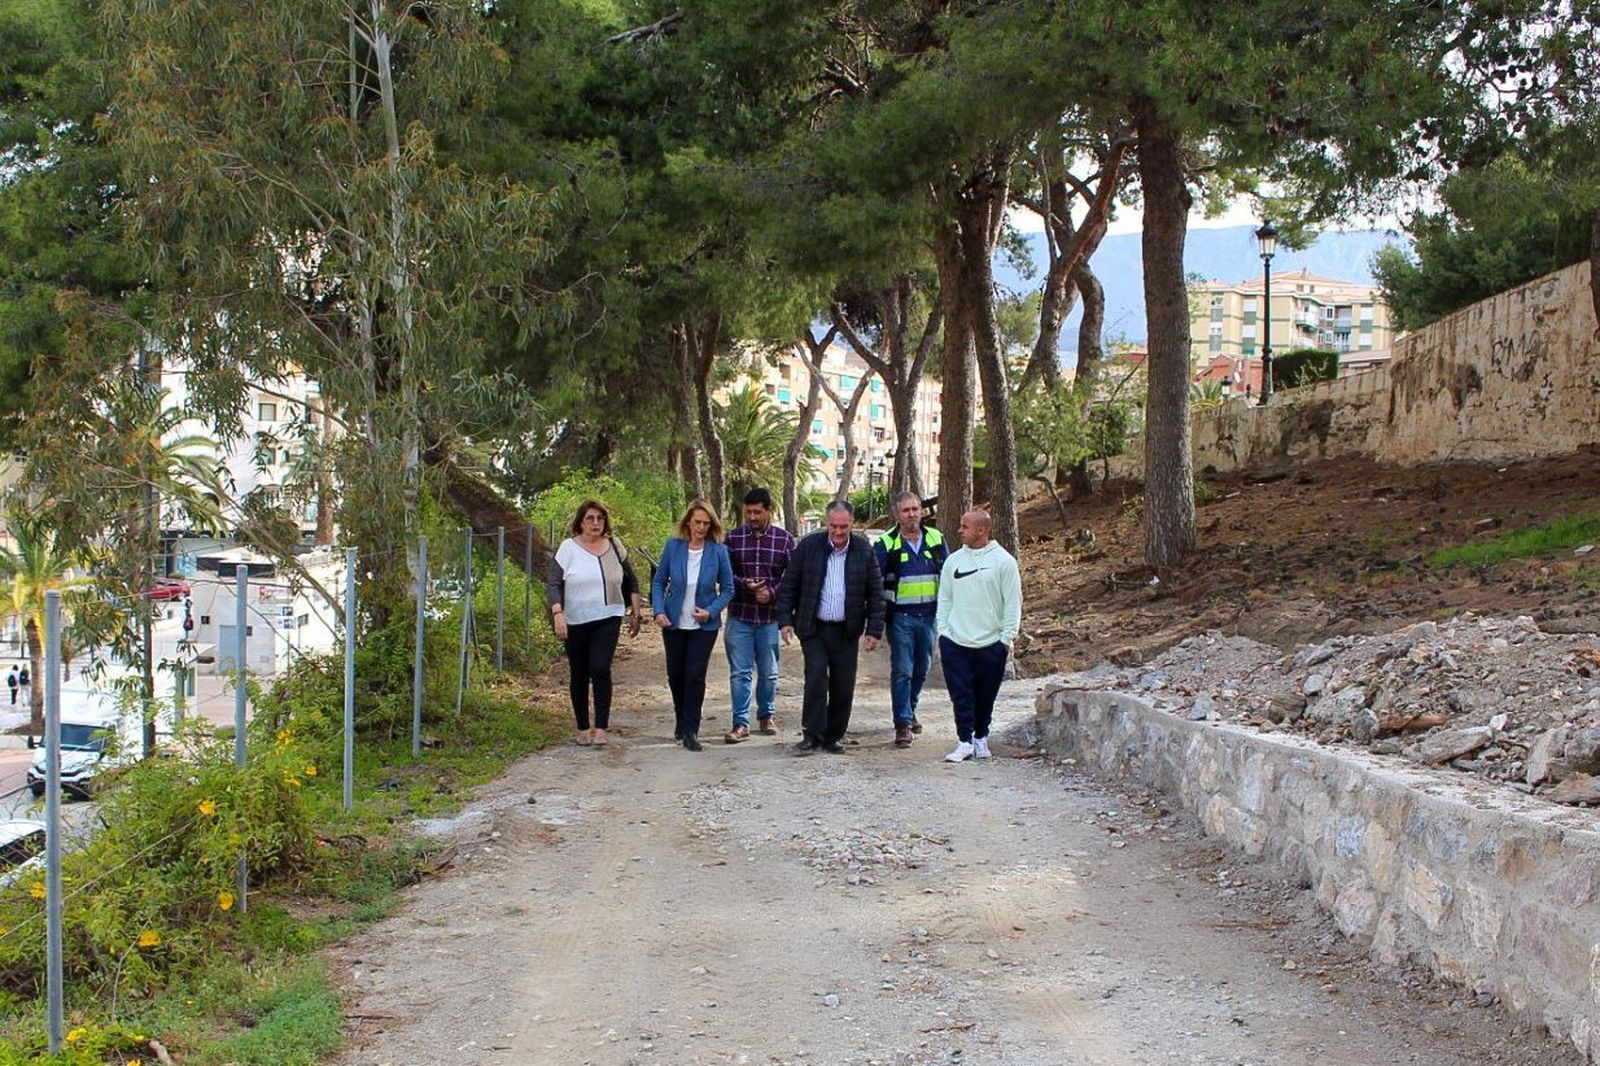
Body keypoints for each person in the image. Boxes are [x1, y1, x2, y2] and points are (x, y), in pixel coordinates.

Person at [775, 500, 884, 755]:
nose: (838, 532)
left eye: (843, 527)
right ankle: (812, 734)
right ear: (826, 524)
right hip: (813, 628)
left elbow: (876, 592)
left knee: (843, 683)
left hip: (847, 629)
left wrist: (874, 630)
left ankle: (834, 735)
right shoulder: (809, 547)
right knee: (815, 678)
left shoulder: (863, 550)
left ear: (852, 525)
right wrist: (785, 620)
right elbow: (789, 583)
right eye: (833, 526)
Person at [547, 499, 643, 746]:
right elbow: (554, 582)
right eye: (590, 518)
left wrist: (635, 611)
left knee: (600, 668)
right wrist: (558, 612)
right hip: (576, 619)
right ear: (581, 522)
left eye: (600, 518)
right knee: (579, 673)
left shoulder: (614, 546)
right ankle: (582, 727)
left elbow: (631, 580)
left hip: (608, 615)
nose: (595, 523)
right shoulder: (568, 548)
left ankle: (601, 727)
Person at [936, 509, 1022, 763]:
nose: (959, 530)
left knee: (986, 694)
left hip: (991, 643)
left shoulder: (1004, 562)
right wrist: (944, 632)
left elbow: (1012, 603)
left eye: (965, 526)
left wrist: (1006, 638)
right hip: (956, 641)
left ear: (981, 530)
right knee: (960, 694)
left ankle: (981, 737)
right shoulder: (953, 561)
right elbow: (945, 598)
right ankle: (964, 741)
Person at [651, 500, 736, 752]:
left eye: (706, 523)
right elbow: (658, 582)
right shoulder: (673, 547)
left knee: (695, 675)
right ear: (688, 521)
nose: (701, 527)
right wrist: (658, 611)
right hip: (674, 622)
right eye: (697, 522)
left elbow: (728, 589)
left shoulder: (718, 551)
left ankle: (691, 730)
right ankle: (681, 719)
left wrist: (710, 611)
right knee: (675, 674)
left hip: (704, 626)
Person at [722, 487, 798, 743]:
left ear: (768, 510)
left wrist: (773, 593)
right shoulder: (732, 538)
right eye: (748, 512)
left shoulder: (784, 540)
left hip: (769, 618)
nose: (752, 517)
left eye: (757, 512)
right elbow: (723, 574)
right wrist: (745, 584)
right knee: (740, 672)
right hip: (740, 615)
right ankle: (740, 723)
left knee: (769, 672)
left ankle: (766, 715)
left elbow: (793, 576)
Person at [874, 491, 949, 748]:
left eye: (915, 509)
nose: (912, 514)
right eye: (906, 510)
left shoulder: (936, 538)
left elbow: (948, 576)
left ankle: (910, 707)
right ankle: (903, 724)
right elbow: (875, 583)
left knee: (921, 670)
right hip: (900, 619)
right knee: (903, 670)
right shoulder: (886, 543)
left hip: (929, 618)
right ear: (897, 513)